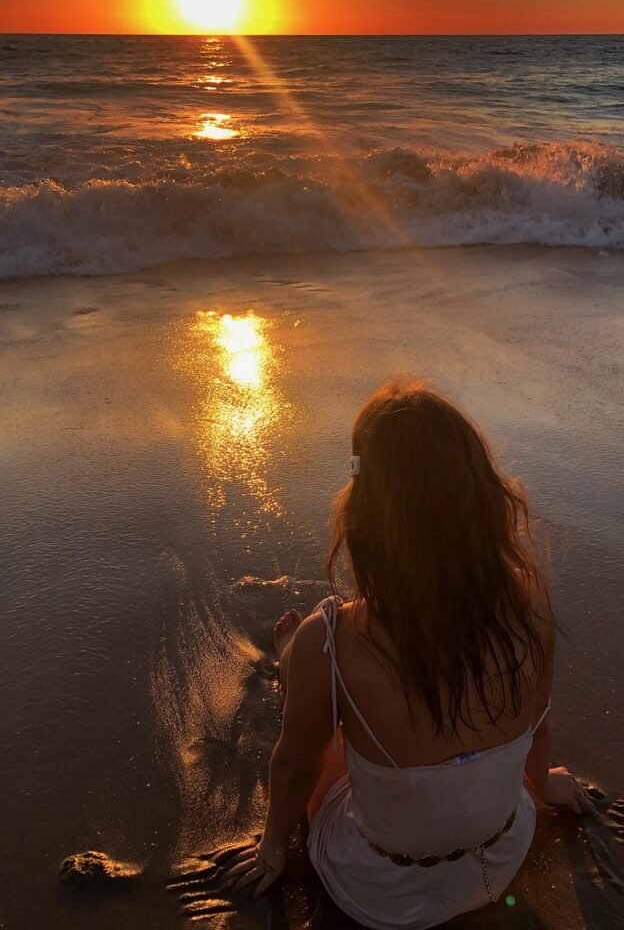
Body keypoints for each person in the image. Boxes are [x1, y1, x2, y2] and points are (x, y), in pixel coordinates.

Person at [215, 378, 589, 928]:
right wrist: (546, 784)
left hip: (380, 890)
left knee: (331, 739)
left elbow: (295, 769)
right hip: (500, 858)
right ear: (482, 494)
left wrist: (274, 848)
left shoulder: (333, 637)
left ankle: (294, 671)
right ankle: (306, 674)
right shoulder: (529, 605)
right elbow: (538, 720)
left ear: (365, 511)